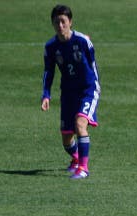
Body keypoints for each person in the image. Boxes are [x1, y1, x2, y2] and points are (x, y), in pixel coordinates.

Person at [41, 4, 101, 180]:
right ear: (52, 24)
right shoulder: (51, 47)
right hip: (68, 93)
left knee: (80, 124)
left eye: (63, 21)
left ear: (70, 22)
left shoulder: (83, 41)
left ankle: (83, 168)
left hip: (87, 89)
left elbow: (93, 65)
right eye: (56, 22)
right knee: (67, 138)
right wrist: (46, 95)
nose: (60, 25)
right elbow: (48, 72)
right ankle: (76, 159)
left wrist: (94, 86)